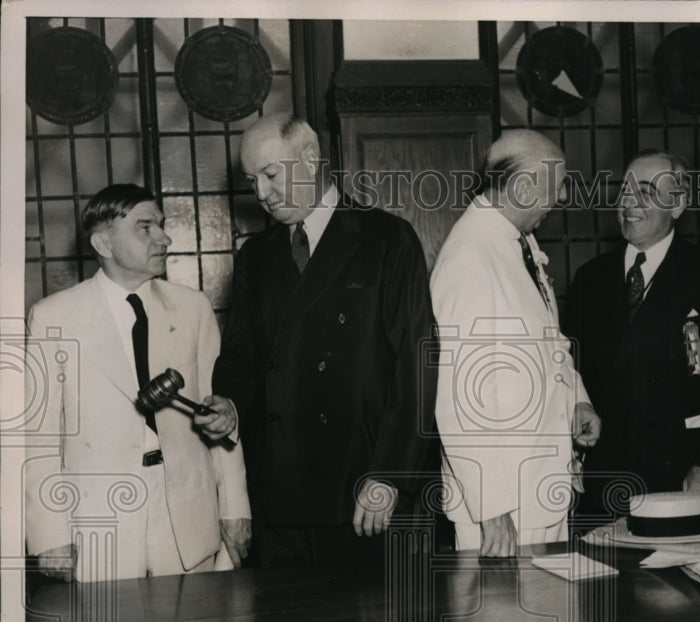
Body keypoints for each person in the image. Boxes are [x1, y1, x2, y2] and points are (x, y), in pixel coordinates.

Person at [213, 114, 437, 568]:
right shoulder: (255, 257)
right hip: (279, 497)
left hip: (362, 489)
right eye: (252, 180)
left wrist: (390, 475)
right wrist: (229, 406)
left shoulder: (386, 239)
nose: (261, 194)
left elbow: (417, 366)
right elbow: (241, 357)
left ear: (310, 159)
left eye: (271, 175)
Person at [24, 184, 251, 582]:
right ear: (104, 243)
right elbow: (38, 438)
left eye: (161, 225)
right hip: (100, 525)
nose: (164, 237)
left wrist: (236, 508)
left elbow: (219, 413)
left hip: (187, 519)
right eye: (145, 228)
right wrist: (47, 535)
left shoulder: (193, 307)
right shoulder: (53, 317)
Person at [430, 129, 601, 556]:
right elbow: (456, 393)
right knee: (509, 621)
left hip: (538, 487)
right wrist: (491, 507)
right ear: (523, 187)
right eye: (556, 184)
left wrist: (576, 400)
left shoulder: (517, 242)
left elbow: (548, 339)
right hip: (504, 504)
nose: (561, 196)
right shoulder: (470, 256)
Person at [565, 151, 700, 519]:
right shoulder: (590, 279)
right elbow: (569, 368)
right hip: (606, 479)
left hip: (682, 475)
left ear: (678, 204)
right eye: (625, 192)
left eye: (646, 192)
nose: (629, 204)